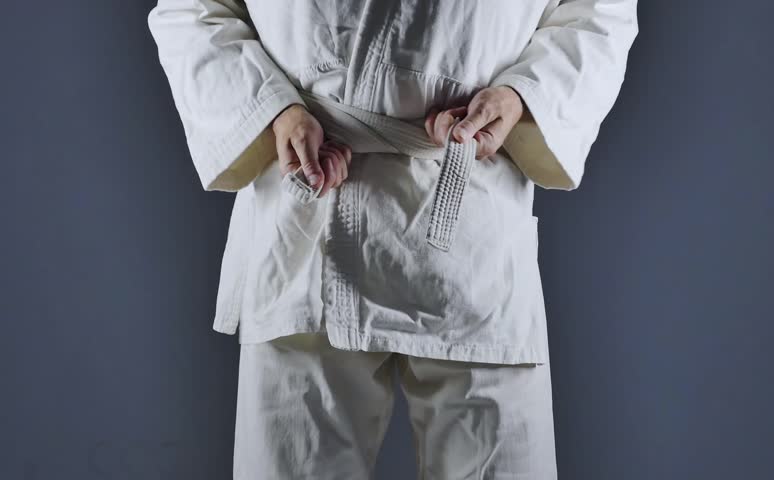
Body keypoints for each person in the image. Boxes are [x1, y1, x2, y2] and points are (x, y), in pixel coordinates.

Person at [147, 0, 638, 478]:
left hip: (469, 213)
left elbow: (599, 12)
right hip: (309, 214)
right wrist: (277, 113)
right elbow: (192, 9)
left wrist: (521, 97)